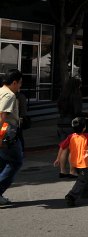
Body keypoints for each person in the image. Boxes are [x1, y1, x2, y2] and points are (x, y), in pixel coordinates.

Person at [0, 69, 23, 205]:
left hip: (6, 133)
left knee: (3, 162)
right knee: (16, 162)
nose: (20, 86)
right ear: (14, 82)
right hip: (7, 133)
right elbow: (2, 116)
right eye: (19, 83)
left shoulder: (1, 91)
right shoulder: (9, 95)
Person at [60, 117, 88, 207]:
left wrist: (57, 158)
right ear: (84, 128)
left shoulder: (71, 136)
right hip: (83, 162)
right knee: (82, 180)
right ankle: (71, 196)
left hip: (74, 162)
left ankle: (86, 193)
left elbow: (62, 146)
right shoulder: (87, 136)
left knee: (85, 176)